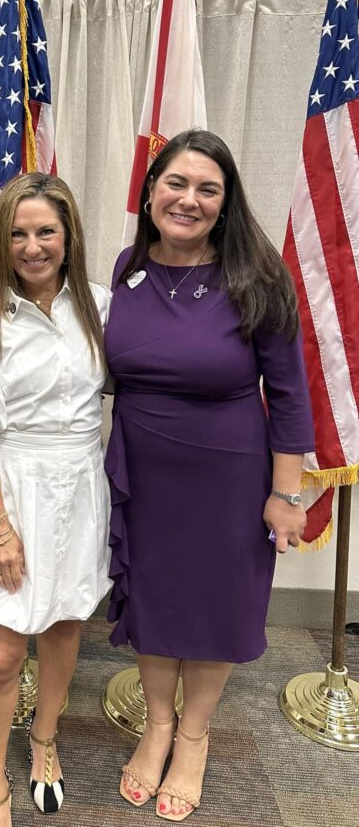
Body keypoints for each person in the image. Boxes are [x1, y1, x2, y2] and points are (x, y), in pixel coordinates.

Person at [105, 130, 314, 822]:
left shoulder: (258, 276)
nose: (187, 200)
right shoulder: (127, 266)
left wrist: (287, 495)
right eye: (175, 183)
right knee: (157, 600)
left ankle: (192, 737)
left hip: (228, 473)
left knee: (217, 605)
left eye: (207, 189)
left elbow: (288, 394)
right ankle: (158, 723)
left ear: (225, 205)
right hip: (144, 470)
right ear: (150, 190)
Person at [0, 173, 112, 827]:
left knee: (66, 624)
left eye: (46, 231)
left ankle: (43, 743)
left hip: (80, 486)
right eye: (18, 232)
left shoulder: (100, 306)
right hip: (12, 489)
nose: (33, 245)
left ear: (68, 238)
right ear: (0, 240)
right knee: (2, 653)